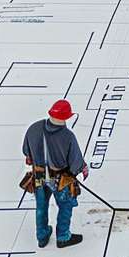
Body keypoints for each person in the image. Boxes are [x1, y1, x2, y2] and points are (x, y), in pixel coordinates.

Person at [22, 99, 87, 249]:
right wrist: (81, 169)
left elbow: (26, 151)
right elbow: (76, 163)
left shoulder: (34, 128)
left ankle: (42, 236)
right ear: (66, 117)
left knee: (41, 206)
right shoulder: (68, 136)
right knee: (65, 205)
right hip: (60, 179)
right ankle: (63, 237)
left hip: (38, 177)